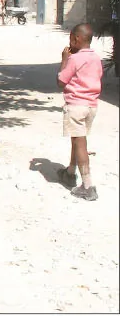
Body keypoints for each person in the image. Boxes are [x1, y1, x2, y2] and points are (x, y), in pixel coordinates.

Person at [55, 23, 103, 201]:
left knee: (80, 143)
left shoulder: (74, 59)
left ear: (76, 39)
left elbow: (61, 81)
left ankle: (87, 185)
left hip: (76, 105)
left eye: (70, 38)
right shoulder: (96, 58)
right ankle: (69, 172)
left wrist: (64, 60)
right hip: (91, 105)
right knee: (78, 139)